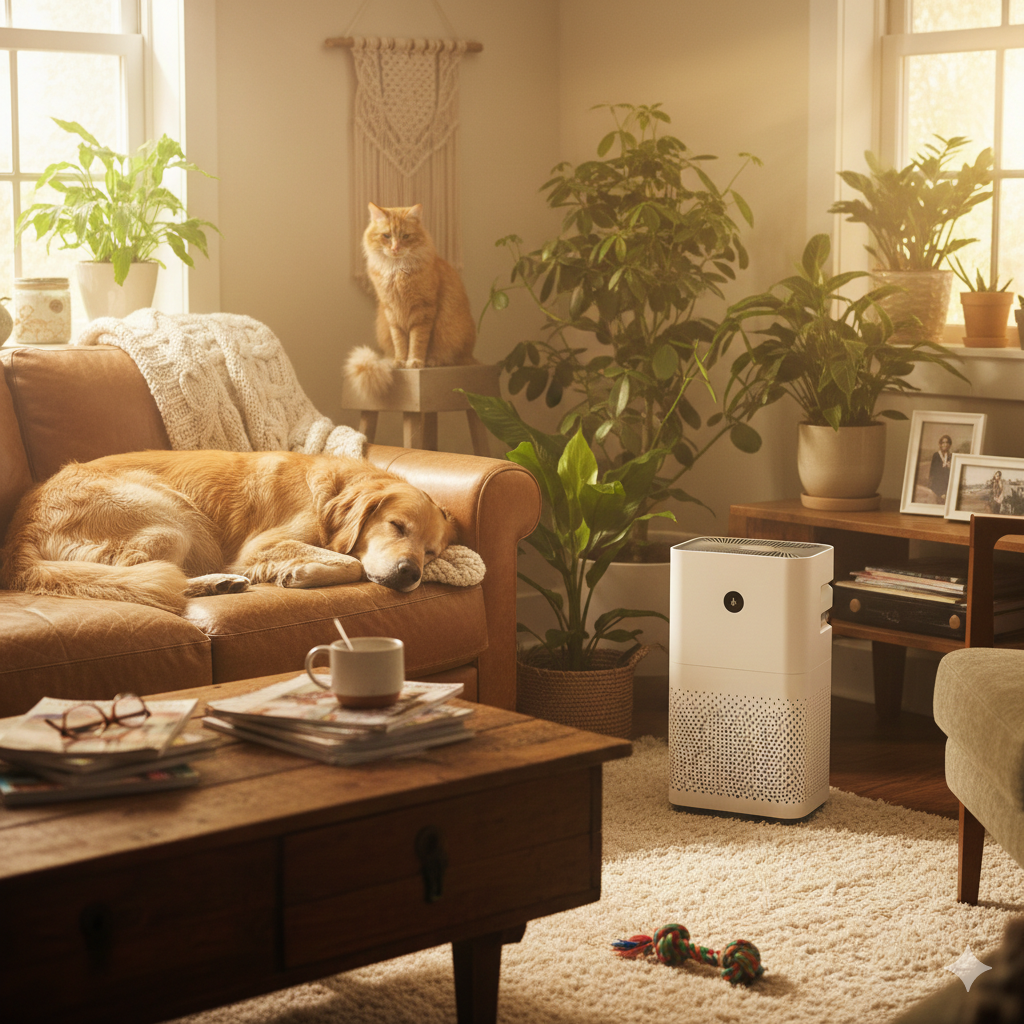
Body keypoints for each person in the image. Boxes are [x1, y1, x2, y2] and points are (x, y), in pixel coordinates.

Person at [928, 434, 953, 503]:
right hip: (937, 482)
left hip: (947, 482)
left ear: (949, 445)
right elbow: (933, 471)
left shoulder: (951, 456)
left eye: (947, 443)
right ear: (940, 444)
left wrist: (950, 467)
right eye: (943, 443)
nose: (945, 444)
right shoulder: (936, 455)